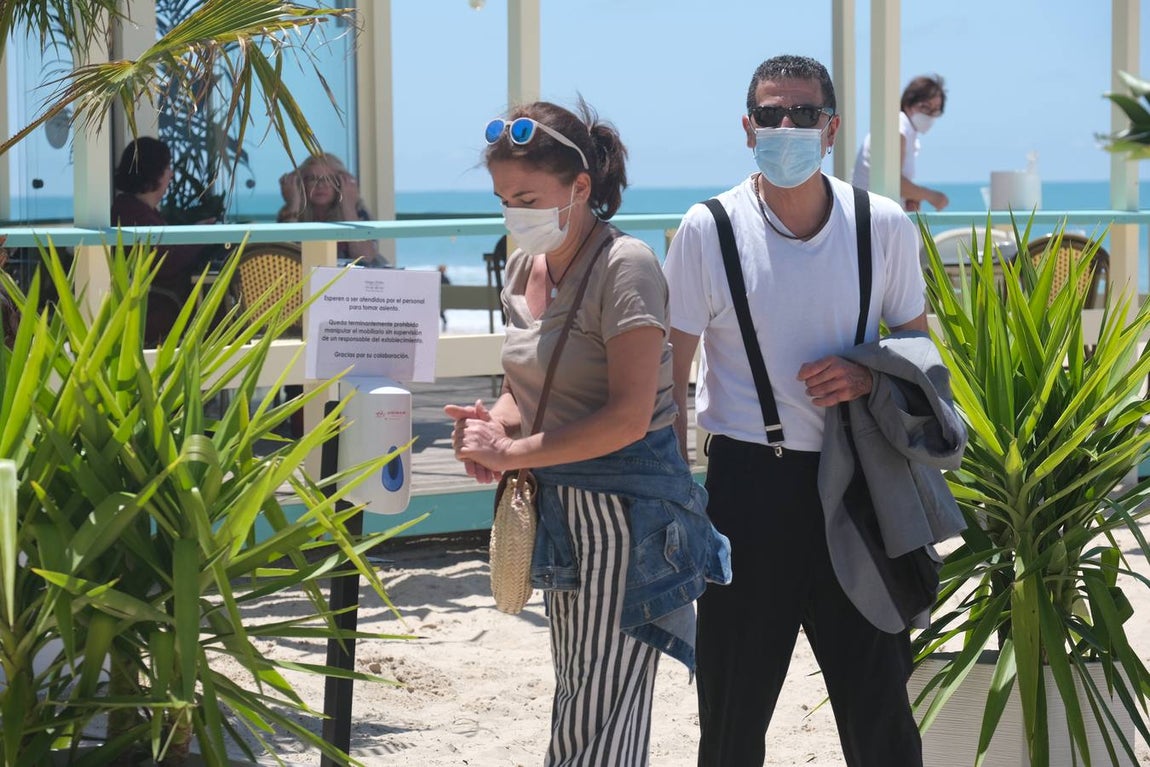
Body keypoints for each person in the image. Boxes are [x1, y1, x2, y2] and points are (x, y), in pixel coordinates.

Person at [663, 55, 965, 767]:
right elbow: (668, 383)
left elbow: (918, 352)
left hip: (859, 489)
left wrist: (865, 376)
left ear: (831, 130)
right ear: (748, 129)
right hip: (745, 491)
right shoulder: (709, 229)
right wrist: (675, 496)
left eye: (804, 114)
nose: (787, 126)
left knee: (882, 715)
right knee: (731, 723)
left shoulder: (881, 225)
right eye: (772, 114)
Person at [444, 100, 730, 767]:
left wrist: (513, 450)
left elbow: (631, 414)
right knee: (585, 696)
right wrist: (493, 426)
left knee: (597, 717)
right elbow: (531, 388)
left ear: (581, 187)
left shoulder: (625, 265)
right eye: (502, 199)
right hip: (561, 506)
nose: (514, 212)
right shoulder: (525, 268)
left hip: (627, 513)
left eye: (526, 197)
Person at [111, 136, 213, 344]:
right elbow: (165, 261)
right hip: (158, 311)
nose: (172, 175)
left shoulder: (133, 210)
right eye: (168, 168)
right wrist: (201, 235)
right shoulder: (133, 215)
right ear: (155, 173)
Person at [851, 74, 949, 212]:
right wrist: (933, 197)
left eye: (936, 110)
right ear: (908, 104)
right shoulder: (899, 128)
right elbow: (895, 182)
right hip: (871, 217)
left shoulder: (906, 130)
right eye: (925, 107)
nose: (930, 114)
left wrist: (911, 198)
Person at [277, 153, 391, 266]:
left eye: (329, 179)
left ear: (341, 183)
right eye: (312, 179)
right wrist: (293, 204)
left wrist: (348, 206)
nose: (321, 185)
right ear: (302, 183)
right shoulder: (291, 212)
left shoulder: (357, 211)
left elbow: (366, 257)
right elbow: (282, 257)